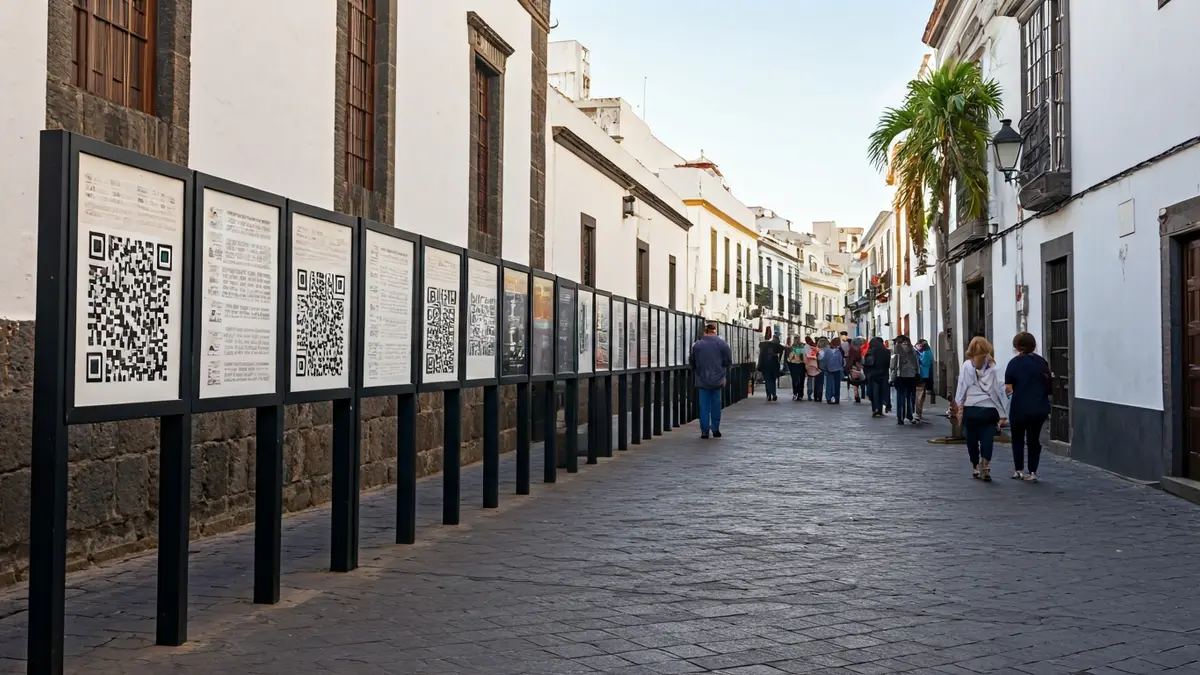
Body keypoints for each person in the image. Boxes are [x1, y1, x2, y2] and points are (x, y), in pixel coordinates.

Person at [954, 336, 1009, 481]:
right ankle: (986, 465)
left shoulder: (967, 365)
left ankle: (975, 467)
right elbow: (1000, 391)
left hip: (971, 409)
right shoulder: (994, 367)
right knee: (987, 439)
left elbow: (961, 387)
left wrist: (958, 406)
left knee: (971, 439)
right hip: (989, 410)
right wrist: (1004, 413)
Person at [1006, 332, 1052, 481]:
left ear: (1017, 346)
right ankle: (1033, 472)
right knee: (1034, 440)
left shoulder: (1014, 363)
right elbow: (1049, 387)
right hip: (1039, 408)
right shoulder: (1042, 362)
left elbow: (1009, 387)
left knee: (1017, 439)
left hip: (1019, 408)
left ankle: (1018, 470)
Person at [691, 322, 732, 439]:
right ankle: (715, 429)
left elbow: (692, 361)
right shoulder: (722, 344)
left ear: (705, 331)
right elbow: (728, 361)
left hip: (702, 379)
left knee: (703, 406)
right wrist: (724, 375)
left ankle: (704, 431)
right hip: (717, 379)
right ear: (715, 332)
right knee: (715, 405)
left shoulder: (697, 345)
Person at [890, 335, 921, 425]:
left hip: (901, 376)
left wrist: (891, 377)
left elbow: (893, 366)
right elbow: (917, 365)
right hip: (912, 377)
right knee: (910, 396)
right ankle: (910, 415)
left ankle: (900, 417)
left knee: (900, 397)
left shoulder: (897, 351)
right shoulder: (913, 350)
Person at [863, 337, 891, 418]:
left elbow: (867, 364)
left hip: (873, 375)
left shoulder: (870, 351)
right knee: (882, 392)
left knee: (874, 393)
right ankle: (880, 409)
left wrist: (867, 374)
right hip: (883, 375)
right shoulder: (886, 351)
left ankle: (875, 409)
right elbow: (888, 364)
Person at [757, 327, 786, 402]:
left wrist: (759, 366)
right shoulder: (778, 346)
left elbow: (760, 354)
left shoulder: (763, 345)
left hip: (765, 365)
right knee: (772, 380)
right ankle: (773, 394)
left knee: (767, 380)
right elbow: (782, 354)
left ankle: (769, 395)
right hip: (774, 366)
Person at [914, 338, 935, 424]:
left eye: (918, 345)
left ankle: (918, 413)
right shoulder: (928, 351)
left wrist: (917, 355)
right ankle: (918, 413)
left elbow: (924, 362)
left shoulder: (926, 353)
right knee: (921, 395)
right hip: (924, 376)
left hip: (922, 376)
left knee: (919, 395)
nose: (917, 347)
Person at [820, 337, 845, 404]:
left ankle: (830, 398)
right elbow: (841, 361)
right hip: (835, 369)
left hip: (830, 369)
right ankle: (835, 398)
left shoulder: (828, 351)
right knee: (835, 384)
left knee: (829, 384)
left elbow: (822, 359)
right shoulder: (838, 351)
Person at [786, 336, 807, 401]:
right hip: (802, 365)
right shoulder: (803, 347)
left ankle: (795, 393)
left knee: (795, 380)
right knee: (801, 380)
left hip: (794, 365)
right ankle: (800, 395)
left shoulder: (792, 348)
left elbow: (789, 358)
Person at [845, 337, 865, 403]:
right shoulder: (854, 350)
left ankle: (857, 395)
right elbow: (852, 359)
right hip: (854, 366)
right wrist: (856, 365)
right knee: (856, 381)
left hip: (854, 366)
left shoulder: (852, 348)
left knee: (855, 382)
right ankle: (857, 395)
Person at [804, 337, 823, 402]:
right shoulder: (815, 347)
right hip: (816, 366)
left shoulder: (806, 347)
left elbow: (806, 357)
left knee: (810, 381)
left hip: (809, 366)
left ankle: (809, 395)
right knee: (816, 381)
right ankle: (816, 395)